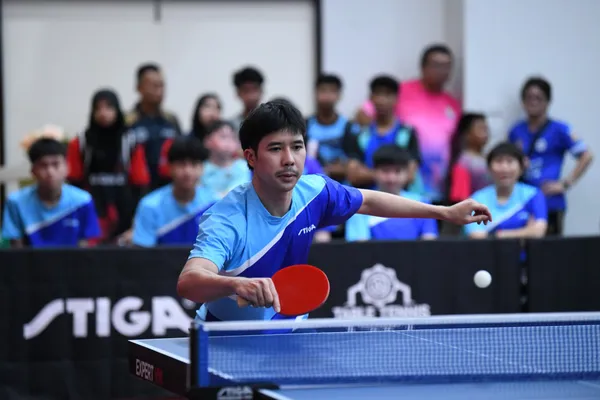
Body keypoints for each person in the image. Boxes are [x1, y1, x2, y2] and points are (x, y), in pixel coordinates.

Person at [176, 100, 491, 323]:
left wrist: (445, 213)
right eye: (275, 148)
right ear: (250, 157)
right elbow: (189, 281)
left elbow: (369, 201)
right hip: (226, 339)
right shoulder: (228, 218)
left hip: (287, 331)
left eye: (297, 146)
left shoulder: (315, 192)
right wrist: (235, 284)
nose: (289, 159)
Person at [355, 44, 461, 202]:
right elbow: (363, 115)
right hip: (396, 182)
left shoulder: (452, 103)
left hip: (436, 186)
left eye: (447, 66)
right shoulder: (404, 91)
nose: (442, 70)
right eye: (436, 65)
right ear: (423, 67)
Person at [508, 77, 593, 236]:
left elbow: (586, 156)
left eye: (538, 98)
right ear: (523, 101)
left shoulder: (559, 129)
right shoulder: (516, 130)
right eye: (529, 97)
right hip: (522, 201)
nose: (533, 102)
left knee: (550, 248)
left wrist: (566, 183)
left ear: (547, 101)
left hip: (550, 201)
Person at [67, 89, 149, 243]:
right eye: (98, 108)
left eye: (109, 107)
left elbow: (140, 183)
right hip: (91, 212)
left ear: (117, 110)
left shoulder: (130, 140)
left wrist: (136, 222)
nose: (103, 113)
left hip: (124, 211)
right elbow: (74, 180)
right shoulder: (82, 141)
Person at [2, 138, 101, 247]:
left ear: (67, 167)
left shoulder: (83, 201)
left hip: (72, 258)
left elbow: (85, 248)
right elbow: (16, 250)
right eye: (43, 165)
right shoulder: (16, 202)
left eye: (56, 164)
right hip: (31, 259)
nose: (50, 171)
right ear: (33, 170)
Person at [132, 136, 217, 247]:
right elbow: (142, 253)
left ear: (202, 168)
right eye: (181, 164)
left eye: (194, 164)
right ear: (170, 167)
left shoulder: (214, 204)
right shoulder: (149, 206)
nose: (188, 172)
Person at [345, 145, 438, 242]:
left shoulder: (423, 203)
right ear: (374, 172)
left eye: (397, 171)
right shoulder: (360, 206)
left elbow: (429, 243)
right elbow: (359, 247)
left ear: (407, 173)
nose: (391, 178)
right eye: (385, 171)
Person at [344, 75, 421, 190]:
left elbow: (410, 176)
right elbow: (353, 175)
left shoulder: (407, 133)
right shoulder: (359, 134)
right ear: (371, 98)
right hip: (368, 198)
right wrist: (394, 174)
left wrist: (369, 173)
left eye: (388, 94)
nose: (382, 100)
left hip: (399, 199)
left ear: (396, 98)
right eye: (378, 94)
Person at [465, 142, 547, 239]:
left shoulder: (533, 195)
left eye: (510, 161)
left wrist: (494, 235)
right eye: (499, 161)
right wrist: (525, 231)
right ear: (489, 168)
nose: (504, 168)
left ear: (521, 168)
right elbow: (475, 235)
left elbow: (538, 231)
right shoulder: (477, 199)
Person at [126, 63, 182, 190]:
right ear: (139, 88)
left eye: (161, 85)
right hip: (136, 189)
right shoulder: (128, 122)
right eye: (153, 85)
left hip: (168, 189)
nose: (159, 90)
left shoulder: (171, 120)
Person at [306, 74, 358, 182]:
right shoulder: (305, 125)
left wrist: (339, 170)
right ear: (315, 93)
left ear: (339, 95)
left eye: (332, 91)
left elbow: (354, 163)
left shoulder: (349, 127)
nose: (327, 96)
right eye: (323, 90)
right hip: (312, 182)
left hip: (342, 185)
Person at [446, 113, 492, 204]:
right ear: (467, 134)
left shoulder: (488, 157)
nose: (485, 133)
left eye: (486, 129)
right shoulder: (463, 162)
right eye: (480, 129)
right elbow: (460, 198)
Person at [200, 121, 251, 199]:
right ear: (207, 140)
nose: (228, 142)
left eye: (233, 138)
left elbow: (236, 193)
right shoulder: (201, 169)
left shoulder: (242, 167)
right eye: (223, 137)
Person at [230, 66, 265, 133]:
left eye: (254, 89)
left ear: (261, 91)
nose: (250, 96)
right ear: (238, 93)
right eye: (246, 90)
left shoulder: (272, 123)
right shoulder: (230, 127)